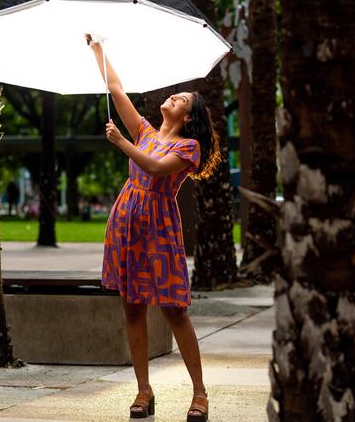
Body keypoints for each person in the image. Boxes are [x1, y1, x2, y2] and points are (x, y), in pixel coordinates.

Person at [86, 34, 220, 421]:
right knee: (132, 308)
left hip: (159, 228)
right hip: (127, 220)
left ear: (188, 117)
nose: (174, 97)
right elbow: (115, 87)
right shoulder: (146, 132)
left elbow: (156, 169)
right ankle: (143, 391)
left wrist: (120, 143)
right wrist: (99, 49)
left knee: (175, 310)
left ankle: (200, 394)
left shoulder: (188, 148)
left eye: (182, 100)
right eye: (175, 95)